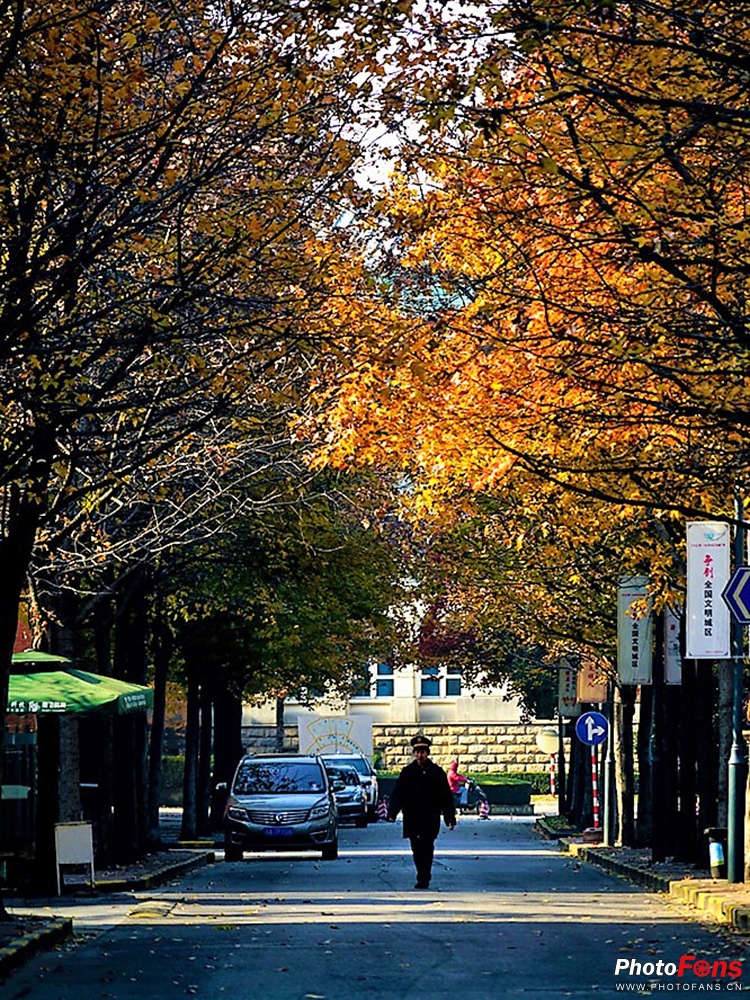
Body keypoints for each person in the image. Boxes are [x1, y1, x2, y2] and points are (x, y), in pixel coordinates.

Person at [387, 734, 456, 889]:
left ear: (427, 753)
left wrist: (449, 818)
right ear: (414, 753)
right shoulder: (407, 772)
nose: (420, 755)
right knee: (416, 848)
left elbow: (446, 796)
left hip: (430, 816)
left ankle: (424, 876)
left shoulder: (437, 772)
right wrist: (392, 812)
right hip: (412, 816)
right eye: (417, 752)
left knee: (427, 845)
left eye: (423, 752)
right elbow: (398, 793)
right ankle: (421, 873)